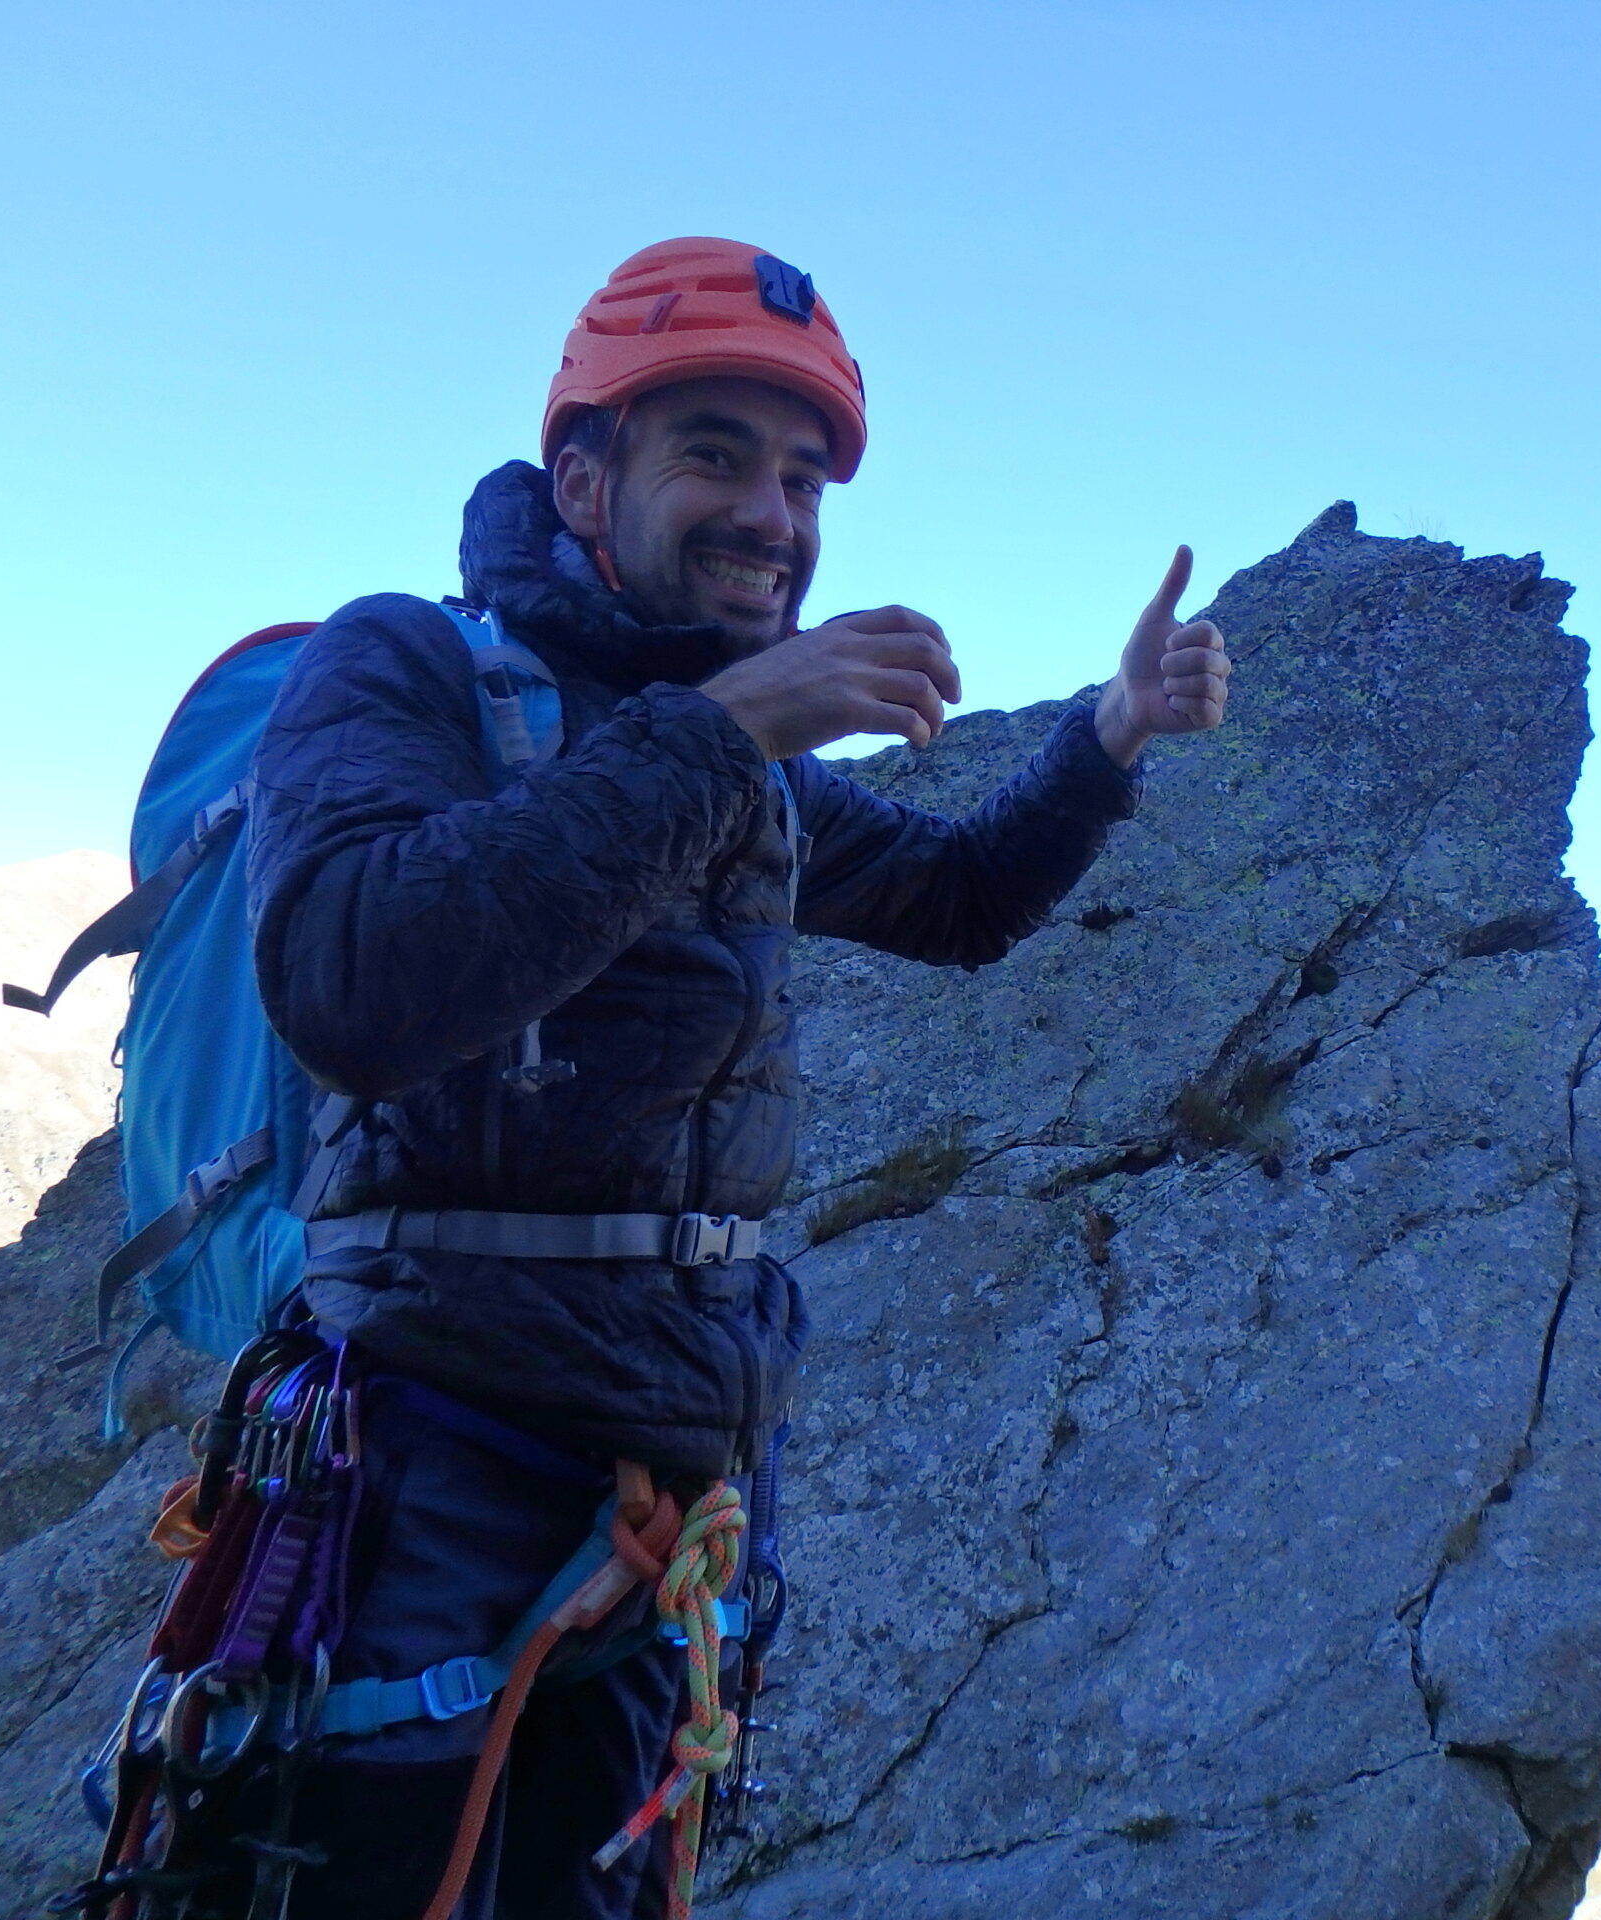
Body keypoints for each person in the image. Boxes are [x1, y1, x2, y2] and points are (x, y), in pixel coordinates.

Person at [232, 236, 1231, 1918]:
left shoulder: (738, 749)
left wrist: (1112, 732)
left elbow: (961, 899)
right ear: (582, 473)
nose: (776, 514)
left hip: (681, 1468)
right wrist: (728, 729)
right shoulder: (405, 666)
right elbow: (351, 979)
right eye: (713, 453)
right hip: (432, 1465)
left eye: (802, 474)